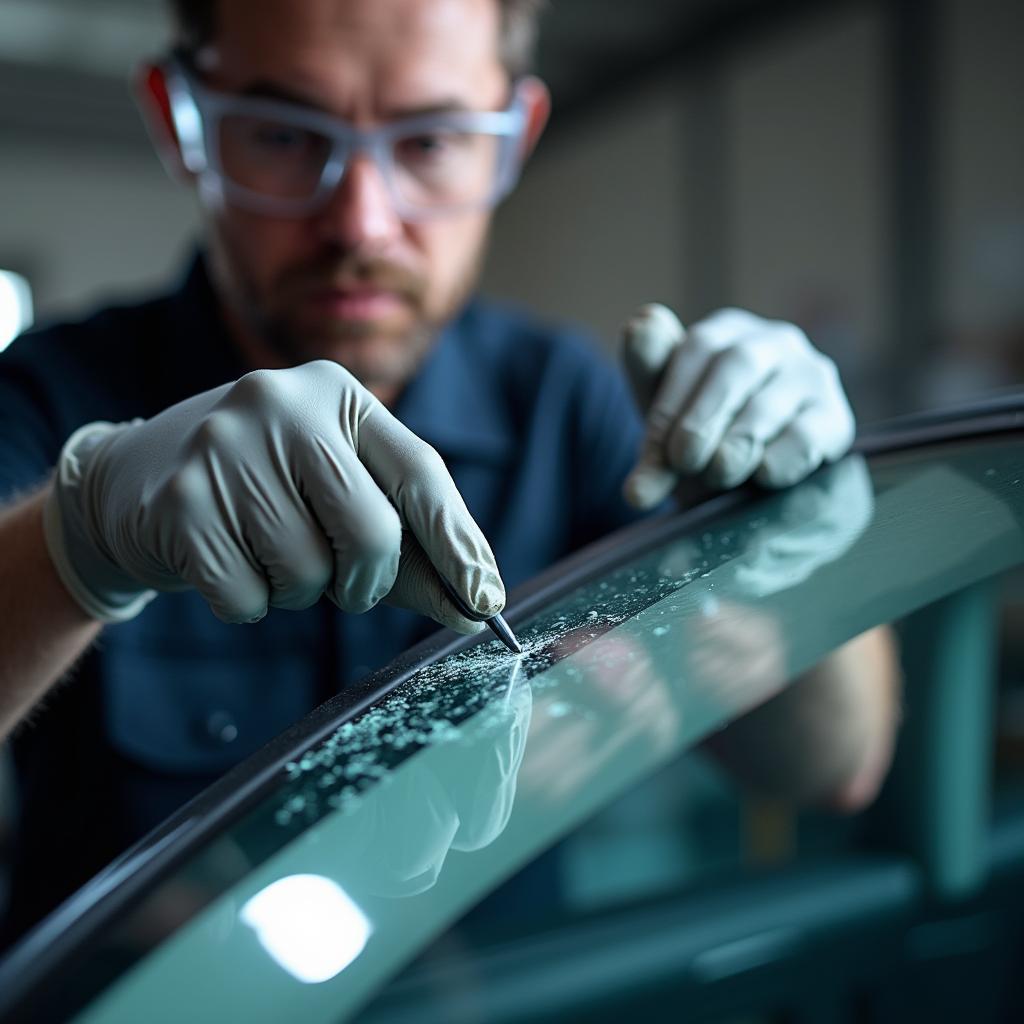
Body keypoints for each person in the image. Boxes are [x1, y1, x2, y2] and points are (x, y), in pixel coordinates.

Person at [0, 0, 897, 949]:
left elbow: (833, 765)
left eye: (430, 142)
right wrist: (77, 540)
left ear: (516, 138)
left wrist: (785, 522)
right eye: (280, 136)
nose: (362, 222)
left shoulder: (565, 403)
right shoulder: (45, 398)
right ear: (181, 119)